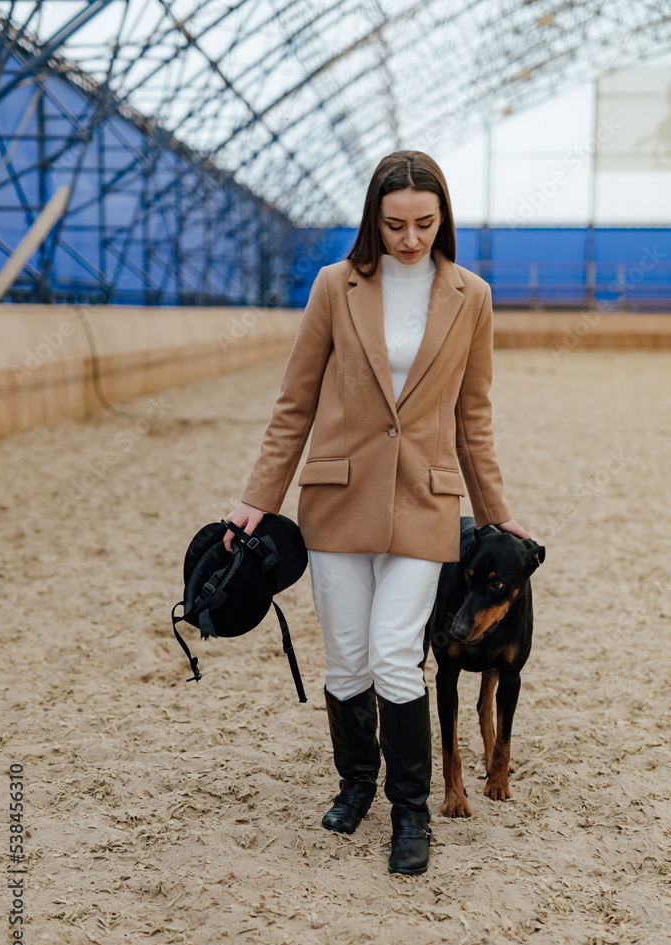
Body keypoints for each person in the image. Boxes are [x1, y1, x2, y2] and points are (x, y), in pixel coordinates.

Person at [223, 149, 533, 876]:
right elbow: (294, 402)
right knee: (348, 660)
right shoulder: (335, 286)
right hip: (336, 501)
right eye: (395, 224)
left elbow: (473, 417)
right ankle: (355, 783)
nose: (410, 238)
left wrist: (496, 512)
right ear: (374, 219)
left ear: (441, 219)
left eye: (425, 223)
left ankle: (410, 812)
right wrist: (256, 499)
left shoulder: (471, 295)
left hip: (425, 505)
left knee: (397, 654)